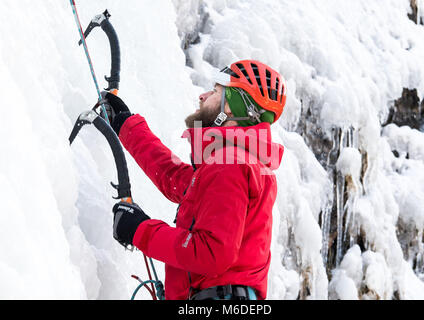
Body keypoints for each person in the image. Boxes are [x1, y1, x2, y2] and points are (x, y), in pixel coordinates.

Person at [105, 60, 287, 300]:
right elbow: (177, 179)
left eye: (215, 91)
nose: (203, 96)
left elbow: (212, 253)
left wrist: (140, 230)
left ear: (230, 108)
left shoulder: (230, 164)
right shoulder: (237, 163)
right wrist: (127, 126)